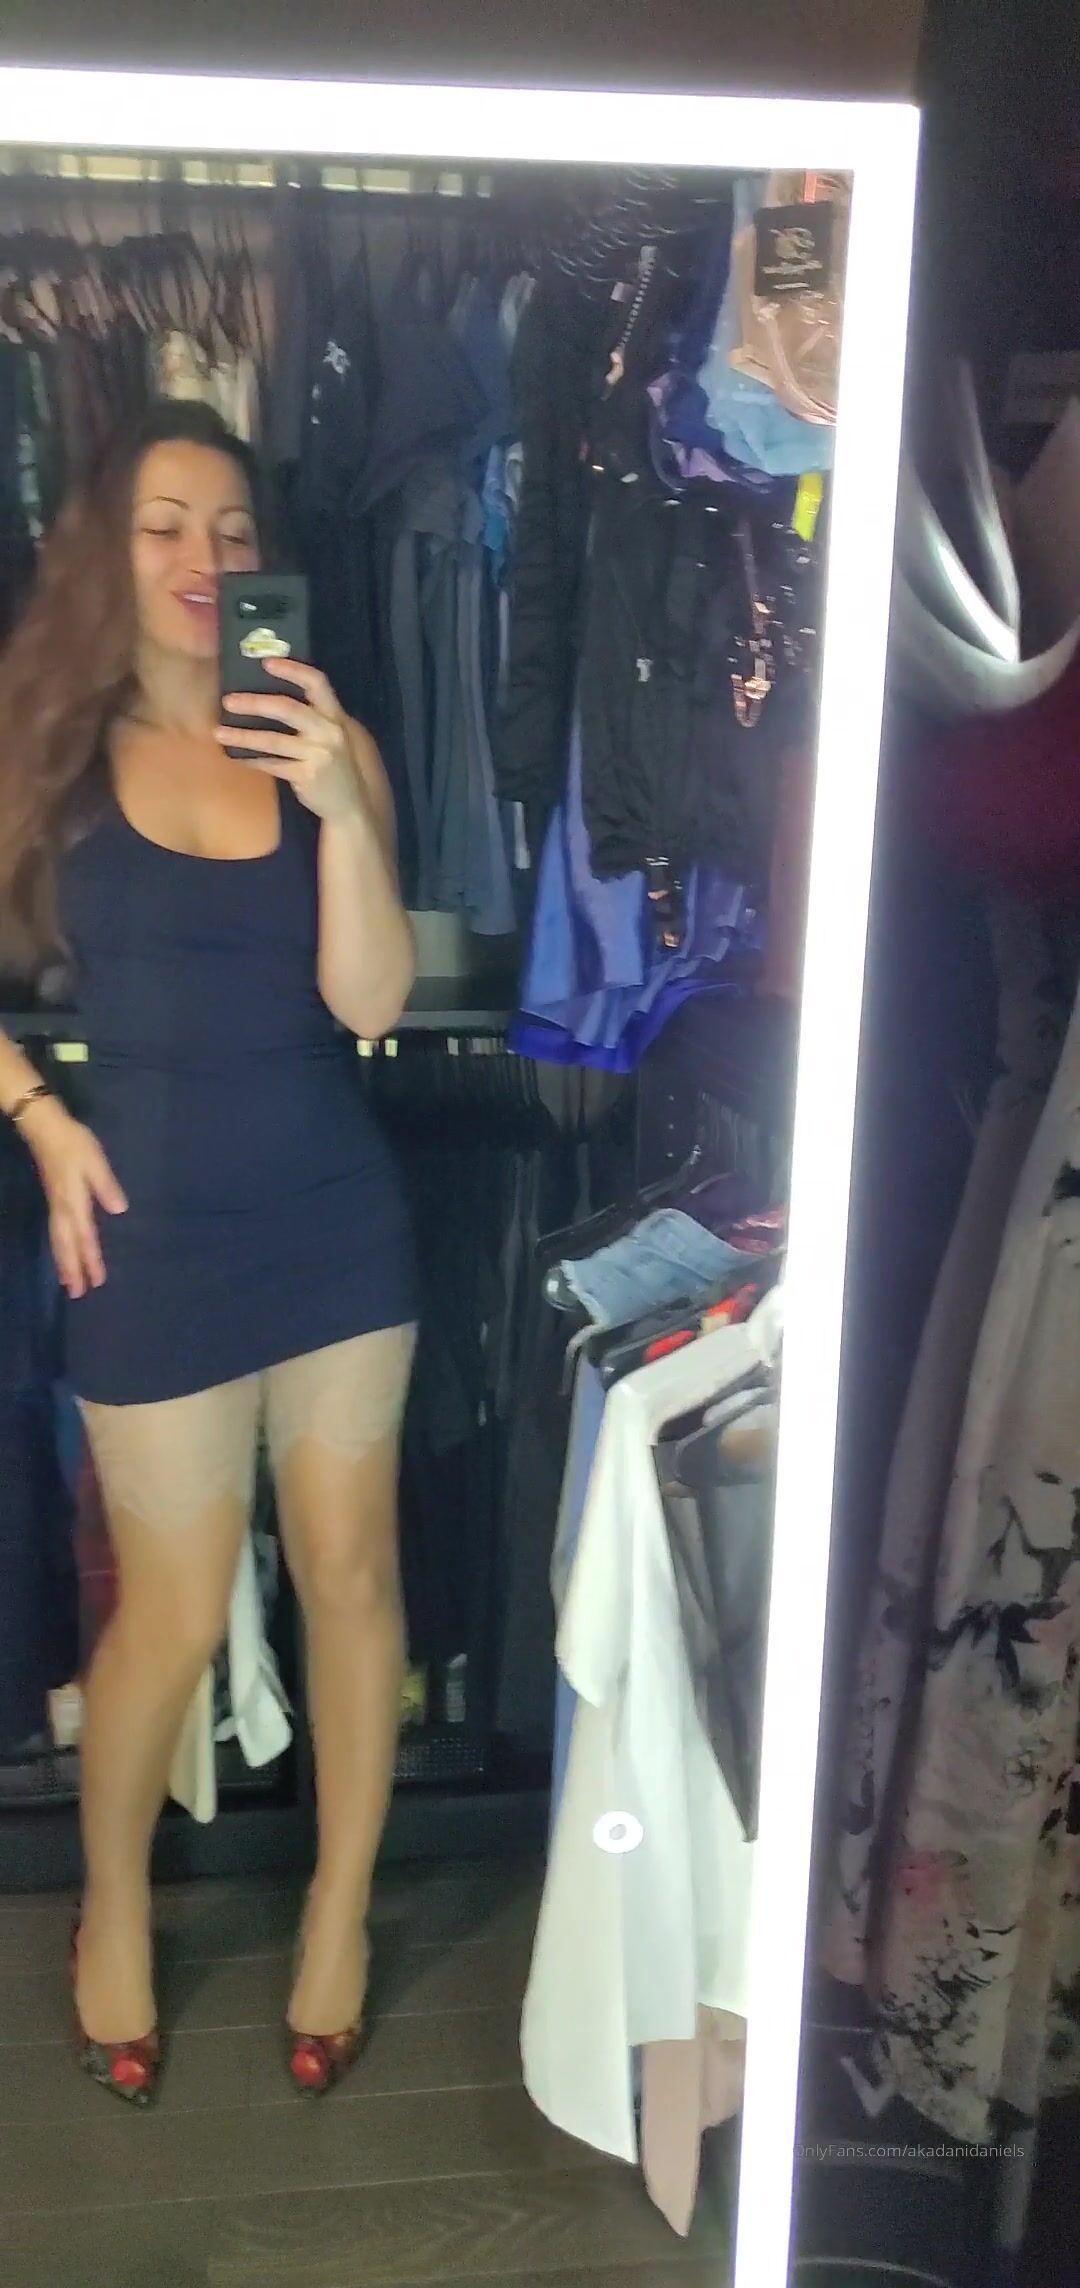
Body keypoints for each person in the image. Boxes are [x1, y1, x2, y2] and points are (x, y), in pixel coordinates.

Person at [0, 402, 419, 2103]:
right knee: (169, 1619)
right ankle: (112, 1905)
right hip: (150, 1239)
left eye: (233, 529)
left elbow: (371, 1000)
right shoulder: (47, 745)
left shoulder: (328, 736)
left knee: (354, 1582)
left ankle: (339, 1912)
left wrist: (344, 810)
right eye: (166, 524)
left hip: (336, 1224)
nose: (203, 557)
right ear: (110, 550)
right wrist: (39, 1119)